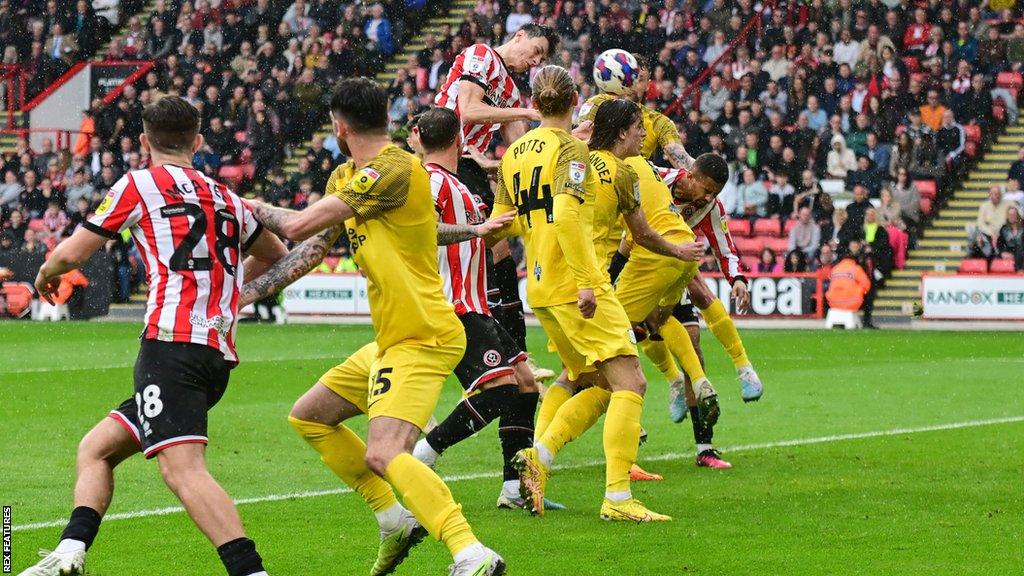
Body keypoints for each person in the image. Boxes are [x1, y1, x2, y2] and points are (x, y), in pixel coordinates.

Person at [238, 78, 507, 575]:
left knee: (385, 452)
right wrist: (240, 297)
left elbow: (294, 226)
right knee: (310, 416)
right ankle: (393, 519)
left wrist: (235, 202)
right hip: (392, 338)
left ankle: (470, 552)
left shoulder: (396, 167)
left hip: (424, 334)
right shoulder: (348, 175)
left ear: (340, 127)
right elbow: (312, 248)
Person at [19, 96, 288, 576]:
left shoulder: (140, 184)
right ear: (198, 142)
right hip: (214, 354)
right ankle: (70, 552)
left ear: (143, 141)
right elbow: (276, 250)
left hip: (171, 347)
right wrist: (228, 293)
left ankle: (251, 571)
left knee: (181, 469)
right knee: (96, 448)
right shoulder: (227, 196)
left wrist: (43, 276)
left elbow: (69, 254)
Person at [493, 66, 684, 522]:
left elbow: (500, 227)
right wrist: (584, 280)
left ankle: (537, 458)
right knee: (631, 381)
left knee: (591, 381)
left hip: (538, 282)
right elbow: (566, 216)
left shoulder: (513, 154)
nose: (643, 136)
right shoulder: (580, 153)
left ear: (535, 103)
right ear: (576, 98)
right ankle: (617, 498)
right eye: (638, 129)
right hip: (578, 281)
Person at [403, 107, 545, 512]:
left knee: (524, 384)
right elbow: (423, 229)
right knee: (500, 392)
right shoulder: (430, 182)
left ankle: (513, 490)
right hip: (454, 307)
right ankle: (424, 454)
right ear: (459, 140)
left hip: (477, 305)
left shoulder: (457, 186)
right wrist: (474, 229)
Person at [434, 23, 561, 384]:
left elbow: (520, 150)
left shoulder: (511, 92)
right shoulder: (481, 56)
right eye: (535, 50)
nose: (534, 60)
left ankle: (514, 355)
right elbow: (468, 111)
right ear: (519, 35)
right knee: (493, 250)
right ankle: (512, 356)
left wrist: (560, 136)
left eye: (541, 59)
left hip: (469, 166)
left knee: (498, 253)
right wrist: (524, 114)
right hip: (445, 162)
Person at [826, 240, 872, 321]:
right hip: (852, 302)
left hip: (833, 302)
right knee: (869, 297)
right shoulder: (856, 268)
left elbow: (830, 283)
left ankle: (837, 321)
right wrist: (859, 291)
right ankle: (867, 322)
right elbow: (867, 285)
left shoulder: (835, 269)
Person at [970, 185, 1014, 251]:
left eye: (997, 194)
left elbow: (1019, 217)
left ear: (1001, 194)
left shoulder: (1009, 204)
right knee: (976, 237)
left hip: (1006, 234)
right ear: (989, 195)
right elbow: (980, 224)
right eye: (992, 194)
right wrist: (991, 233)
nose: (995, 196)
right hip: (988, 235)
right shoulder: (984, 206)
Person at [997, 206, 1024, 271]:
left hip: (1022, 250)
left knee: (1019, 249)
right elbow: (999, 244)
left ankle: (1019, 270)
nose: (1012, 216)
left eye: (1014, 214)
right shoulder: (1003, 228)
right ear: (1007, 216)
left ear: (1017, 215)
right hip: (1009, 250)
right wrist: (1002, 253)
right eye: (1010, 215)